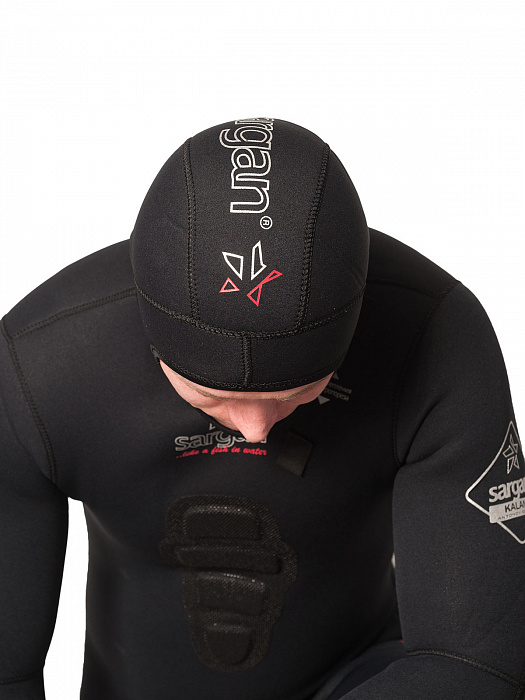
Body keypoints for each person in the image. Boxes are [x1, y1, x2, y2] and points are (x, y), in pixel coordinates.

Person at [0, 117, 523, 700]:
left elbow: (476, 661)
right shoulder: (38, 366)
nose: (256, 431)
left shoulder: (434, 337)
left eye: (296, 393)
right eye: (212, 395)